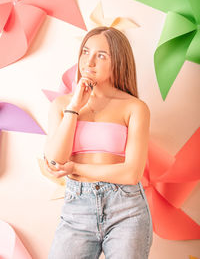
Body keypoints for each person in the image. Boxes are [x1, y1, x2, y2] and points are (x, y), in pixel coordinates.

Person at [44, 26, 153, 259]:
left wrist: (75, 169)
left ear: (118, 61)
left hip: (126, 209)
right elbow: (54, 162)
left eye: (101, 55)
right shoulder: (62, 105)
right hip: (77, 209)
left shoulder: (135, 108)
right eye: (85, 52)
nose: (89, 62)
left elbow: (131, 173)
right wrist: (74, 107)